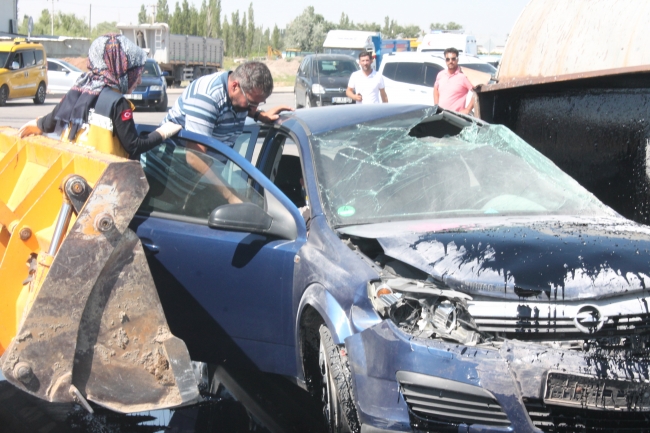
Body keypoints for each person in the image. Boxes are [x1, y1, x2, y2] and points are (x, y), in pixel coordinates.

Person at [18, 33, 180, 158]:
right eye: (135, 72)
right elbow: (134, 146)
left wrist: (37, 124)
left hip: (74, 171)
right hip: (105, 182)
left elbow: (51, 121)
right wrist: (162, 133)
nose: (138, 80)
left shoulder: (79, 89)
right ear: (121, 68)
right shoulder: (118, 103)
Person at [433, 47, 474, 114]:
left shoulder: (463, 76)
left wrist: (468, 109)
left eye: (453, 59)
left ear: (457, 60)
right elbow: (436, 89)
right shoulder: (440, 74)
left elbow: (477, 92)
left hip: (455, 117)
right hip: (441, 115)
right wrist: (436, 106)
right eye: (448, 59)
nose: (450, 61)